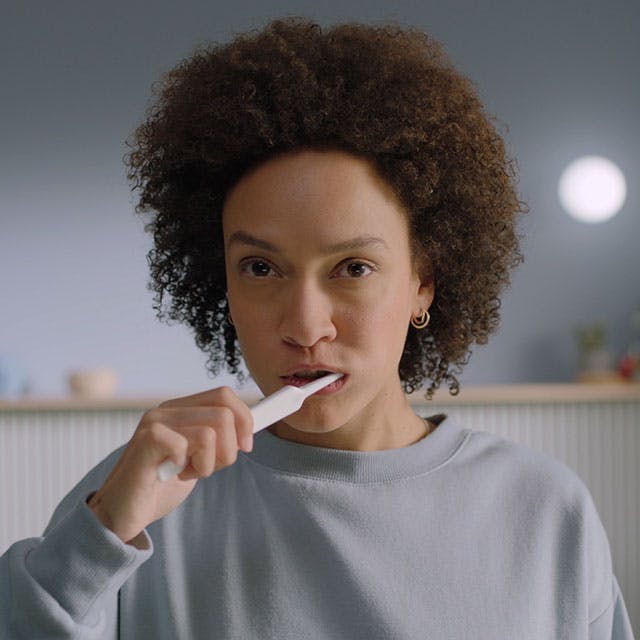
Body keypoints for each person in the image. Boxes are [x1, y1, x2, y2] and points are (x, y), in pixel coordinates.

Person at [1, 17, 635, 639]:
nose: (305, 326)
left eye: (352, 267)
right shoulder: (145, 496)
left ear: (424, 281)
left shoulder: (547, 511)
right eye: (260, 267)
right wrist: (101, 536)